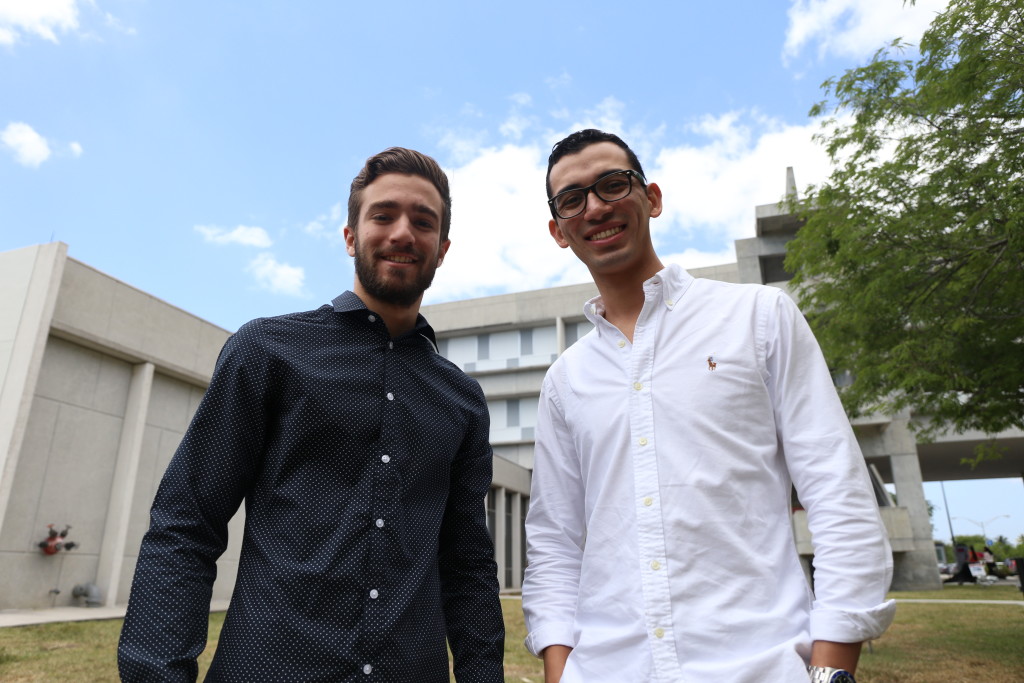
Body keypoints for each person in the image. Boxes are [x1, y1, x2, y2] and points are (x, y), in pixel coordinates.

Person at [522, 129, 896, 683]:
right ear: (558, 230)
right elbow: (555, 538)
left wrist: (830, 669)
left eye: (612, 184)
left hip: (761, 668)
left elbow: (837, 490)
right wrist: (559, 668)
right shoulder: (565, 380)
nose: (595, 206)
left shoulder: (760, 317)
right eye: (572, 198)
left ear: (651, 197)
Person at [119, 147, 505, 682]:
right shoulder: (268, 350)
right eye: (383, 215)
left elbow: (467, 568)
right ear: (350, 236)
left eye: (423, 222)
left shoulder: (462, 399)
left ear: (442, 249)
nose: (402, 233)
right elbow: (186, 526)